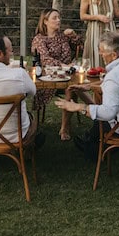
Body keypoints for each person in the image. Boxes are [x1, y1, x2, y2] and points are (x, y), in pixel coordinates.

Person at [56, 30, 119, 158]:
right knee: (99, 117)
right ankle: (89, 142)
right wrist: (91, 86)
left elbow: (108, 113)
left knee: (100, 117)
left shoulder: (113, 77)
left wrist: (78, 107)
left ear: (113, 55)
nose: (100, 54)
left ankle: (93, 150)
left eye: (102, 51)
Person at [30, 8, 78, 140]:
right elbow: (44, 58)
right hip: (48, 76)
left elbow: (79, 47)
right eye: (55, 18)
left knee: (71, 87)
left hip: (67, 76)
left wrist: (74, 36)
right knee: (72, 86)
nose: (59, 20)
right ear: (45, 21)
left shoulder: (63, 37)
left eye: (59, 17)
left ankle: (64, 128)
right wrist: (64, 66)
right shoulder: (39, 39)